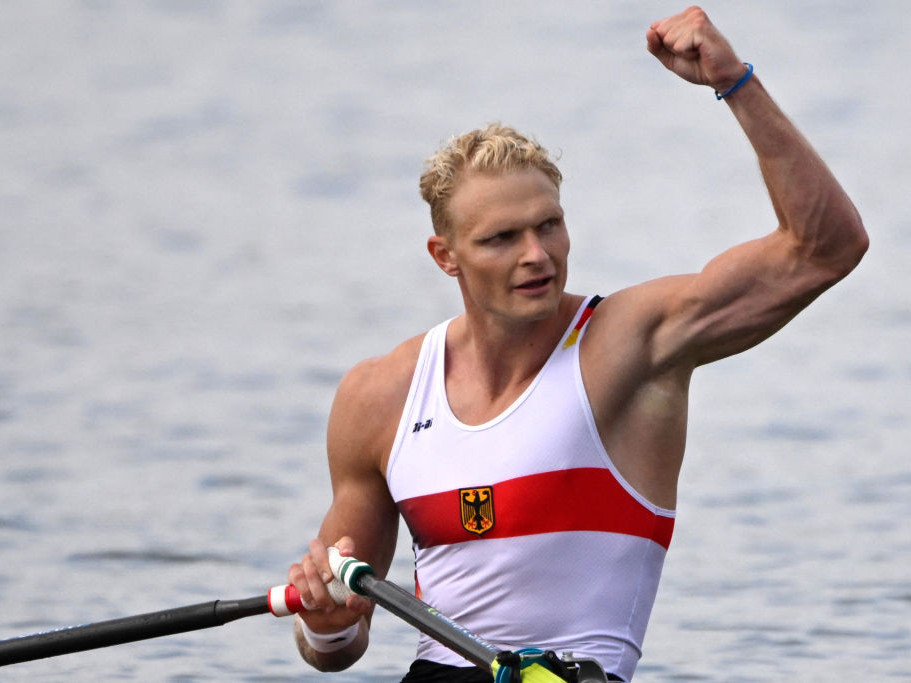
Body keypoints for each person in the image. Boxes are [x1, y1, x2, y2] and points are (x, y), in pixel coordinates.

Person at [287, 6, 868, 681]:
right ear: (445, 256)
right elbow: (336, 644)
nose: (536, 255)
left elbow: (825, 249)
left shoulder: (630, 344)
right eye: (502, 238)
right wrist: (325, 623)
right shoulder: (379, 394)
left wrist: (735, 83)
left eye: (549, 225)